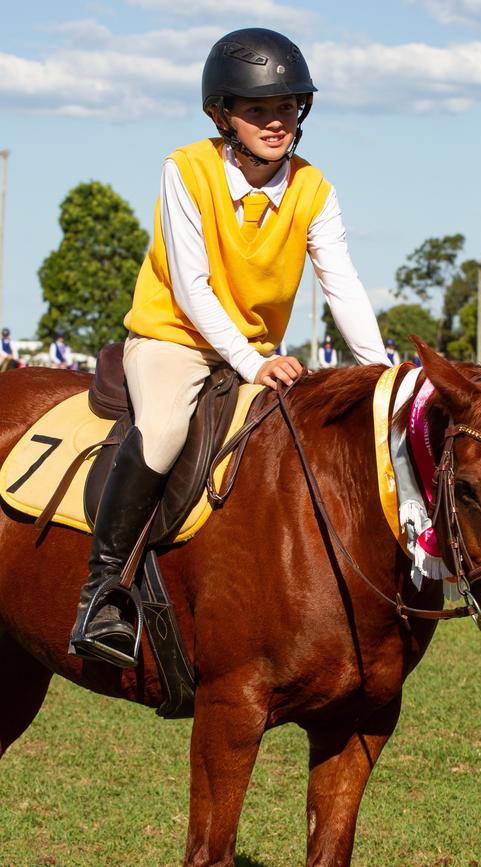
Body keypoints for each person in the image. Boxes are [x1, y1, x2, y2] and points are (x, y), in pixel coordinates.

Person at [69, 27, 391, 667]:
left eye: (288, 107)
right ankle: (101, 591)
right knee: (160, 433)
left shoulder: (314, 188)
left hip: (256, 353)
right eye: (257, 109)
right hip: (173, 339)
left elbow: (343, 285)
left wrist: (382, 372)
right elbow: (191, 287)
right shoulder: (184, 168)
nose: (276, 122)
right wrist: (251, 361)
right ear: (222, 115)